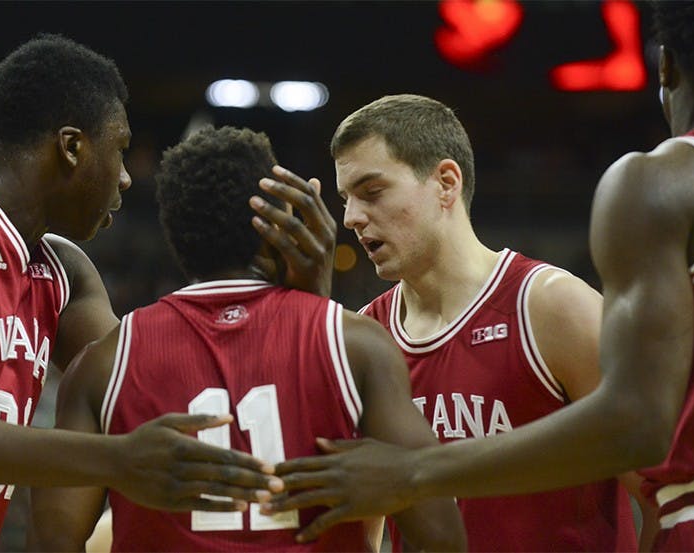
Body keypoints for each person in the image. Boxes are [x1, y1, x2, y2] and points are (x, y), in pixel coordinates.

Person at [263, 2, 694, 551]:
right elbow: (361, 527)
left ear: (447, 183)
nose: (351, 217)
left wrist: (414, 472)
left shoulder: (553, 301)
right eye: (346, 199)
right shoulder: (367, 338)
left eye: (372, 193)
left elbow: (646, 456)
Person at [0, 35, 338, 552]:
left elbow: (169, 404)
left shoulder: (65, 272)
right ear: (72, 147)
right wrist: (113, 459)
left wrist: (303, 301)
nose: (127, 178)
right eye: (121, 149)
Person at [27, 126, 465, 552]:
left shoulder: (103, 361)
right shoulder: (357, 344)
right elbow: (440, 531)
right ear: (278, 222)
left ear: (173, 232)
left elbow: (52, 539)